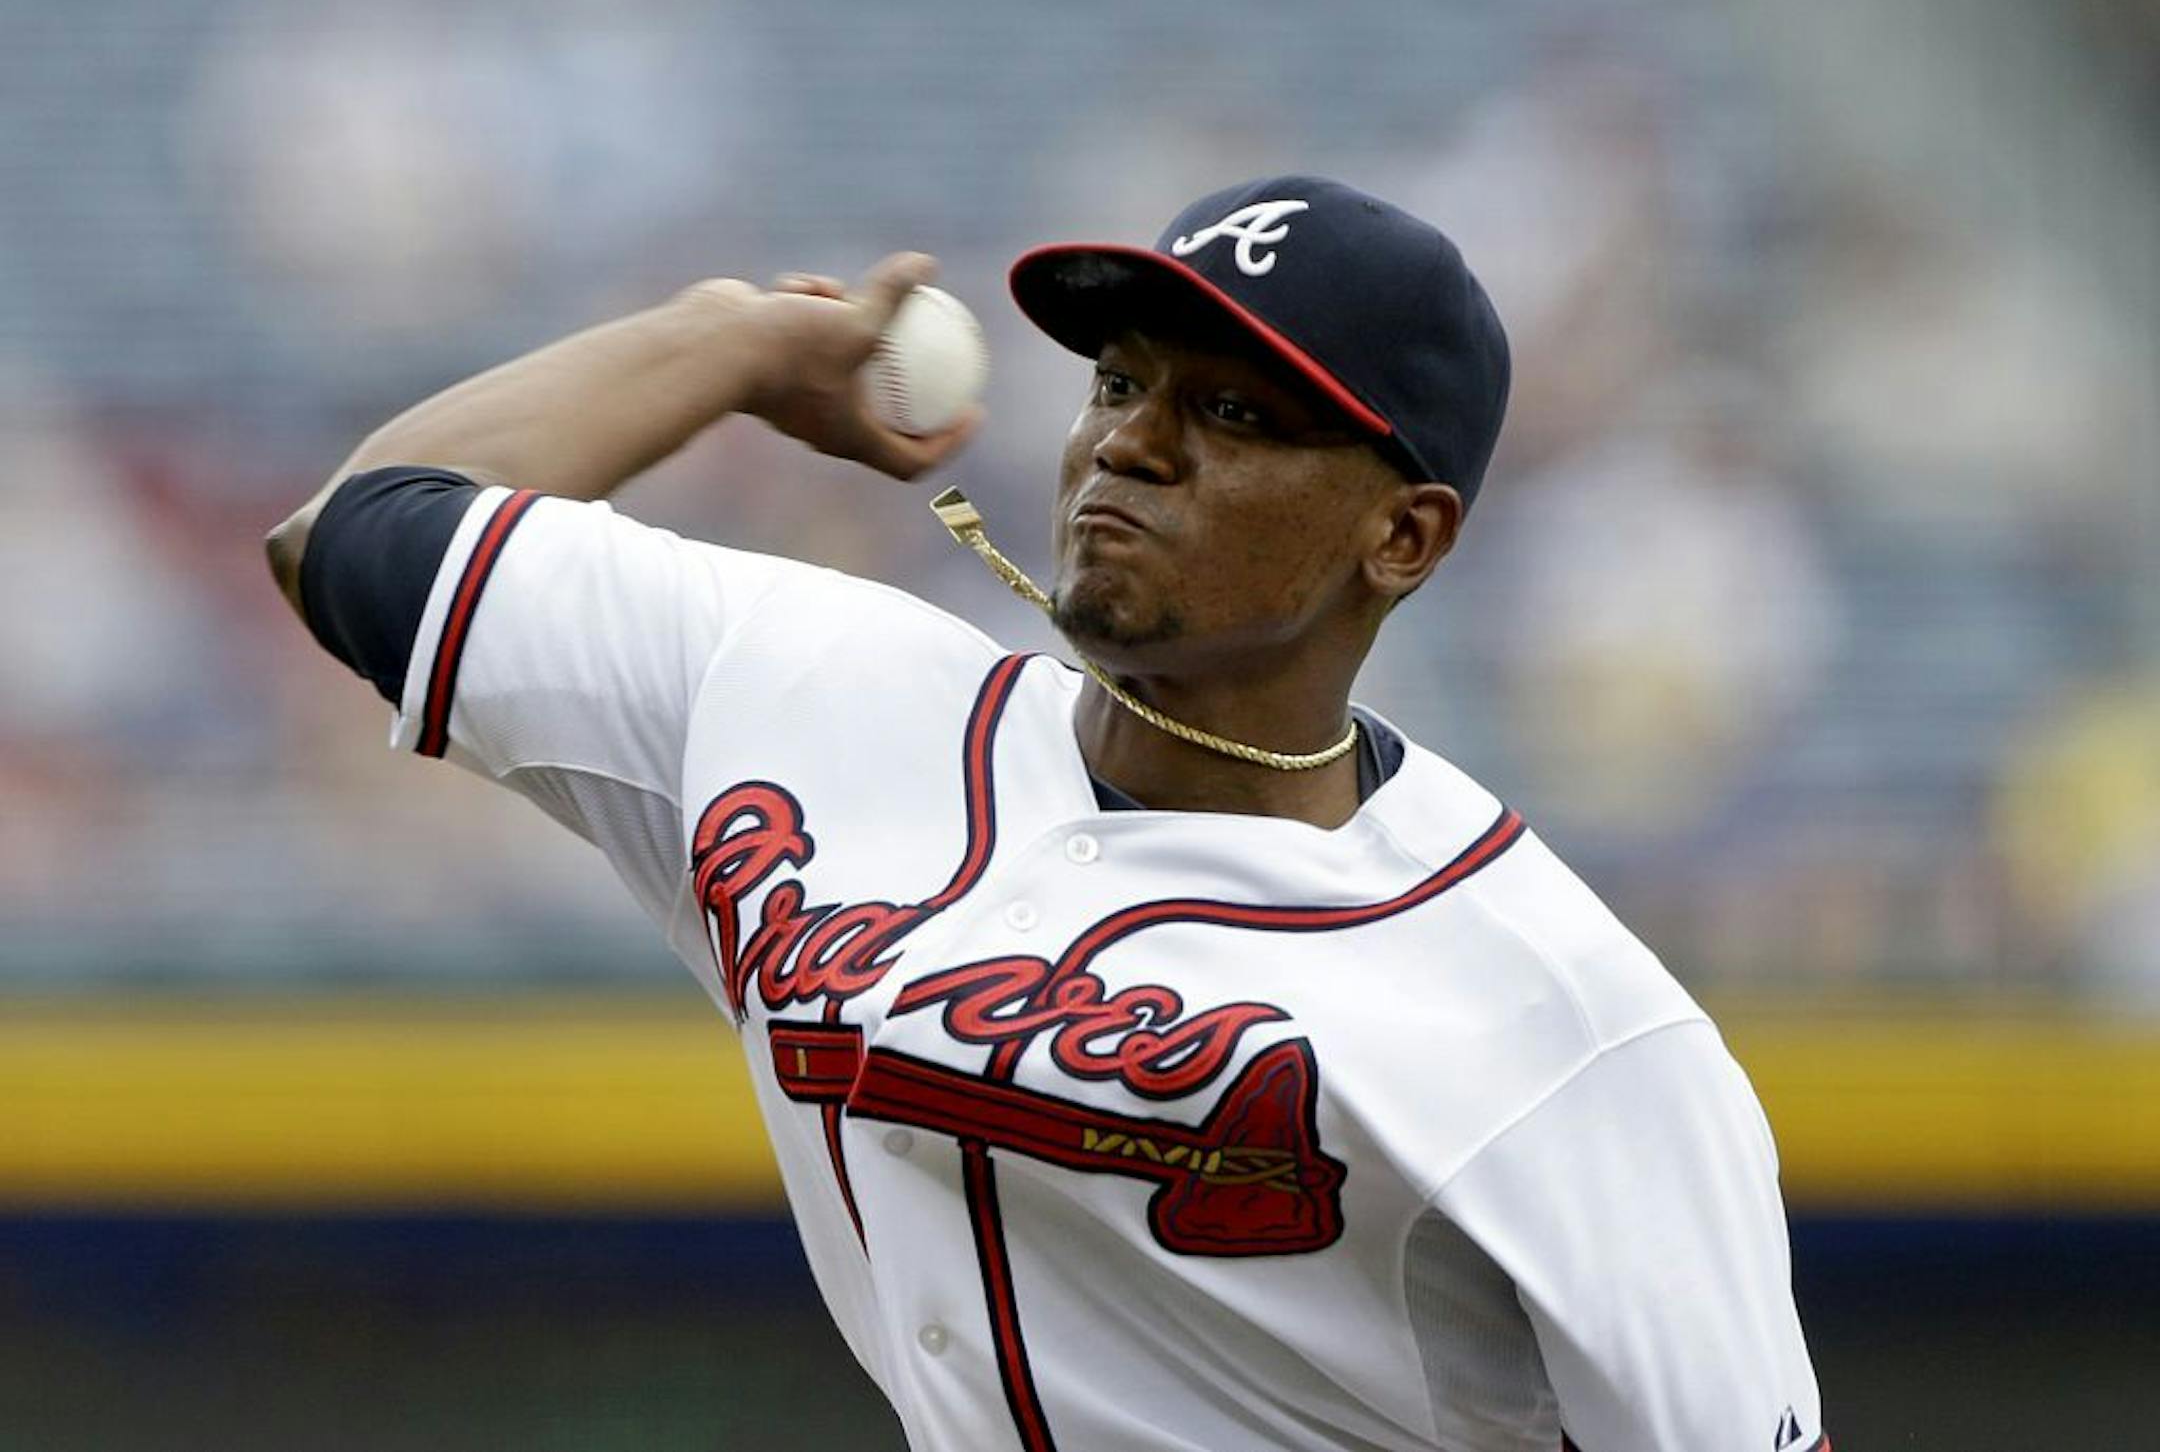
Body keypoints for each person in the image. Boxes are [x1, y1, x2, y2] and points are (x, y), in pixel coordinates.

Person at [267, 175, 1825, 1452]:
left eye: (1237, 413)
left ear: (1404, 534)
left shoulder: (1574, 1031)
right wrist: (726, 346)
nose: (1131, 441)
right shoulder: (804, 684)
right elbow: (355, 532)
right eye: (1122, 380)